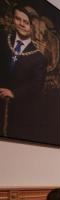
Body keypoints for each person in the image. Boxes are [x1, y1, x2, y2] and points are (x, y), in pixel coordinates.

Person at [0, 6, 47, 140]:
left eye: (25, 22)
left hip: (18, 113)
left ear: (32, 27)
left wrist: (14, 93)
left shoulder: (39, 58)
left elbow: (36, 86)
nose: (21, 24)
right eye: (18, 19)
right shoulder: (3, 40)